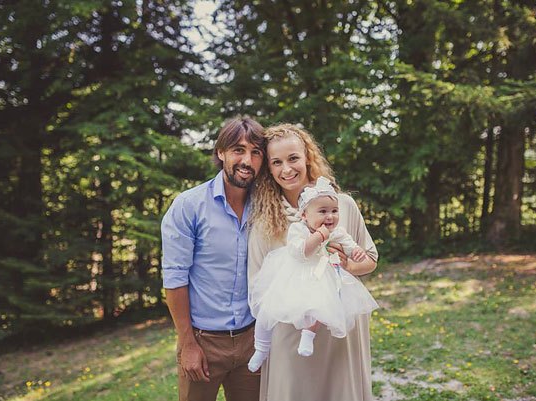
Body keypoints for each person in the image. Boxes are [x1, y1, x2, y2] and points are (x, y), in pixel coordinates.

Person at [248, 123, 378, 401]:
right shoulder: (265, 221)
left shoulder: (342, 205)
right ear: (268, 168)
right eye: (276, 162)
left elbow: (370, 261)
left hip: (340, 331)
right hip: (291, 334)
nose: (286, 169)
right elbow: (257, 286)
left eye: (293, 158)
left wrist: (348, 265)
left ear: (307, 157)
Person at [161, 117, 265, 401]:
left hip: (253, 340)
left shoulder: (266, 205)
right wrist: (187, 343)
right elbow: (175, 278)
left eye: (256, 152)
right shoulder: (189, 205)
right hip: (203, 341)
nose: (247, 160)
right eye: (238, 150)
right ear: (221, 152)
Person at [247, 176, 378, 372]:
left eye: (334, 211)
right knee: (268, 310)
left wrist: (356, 253)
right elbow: (300, 252)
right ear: (305, 215)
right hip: (292, 274)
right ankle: (261, 348)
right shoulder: (298, 229)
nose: (330, 217)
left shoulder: (338, 232)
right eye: (323, 211)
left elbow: (351, 246)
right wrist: (319, 236)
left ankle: (307, 336)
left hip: (319, 277)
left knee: (318, 308)